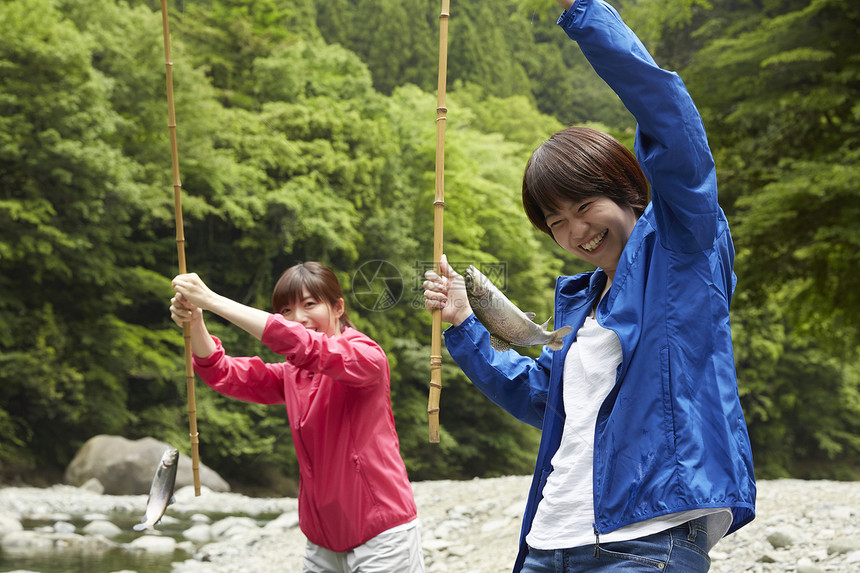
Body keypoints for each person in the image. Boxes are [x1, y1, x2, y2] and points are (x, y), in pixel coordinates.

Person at [423, 0, 756, 571]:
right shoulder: (582, 305)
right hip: (549, 540)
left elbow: (670, 116)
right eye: (556, 223)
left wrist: (581, 11)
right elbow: (541, 397)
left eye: (585, 206)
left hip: (648, 540)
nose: (576, 231)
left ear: (628, 189)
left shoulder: (684, 250)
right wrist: (463, 323)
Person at [170, 262, 424, 573]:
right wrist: (196, 323)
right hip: (322, 540)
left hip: (382, 534)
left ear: (338, 306)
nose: (298, 319)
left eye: (310, 304)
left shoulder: (366, 357)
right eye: (286, 310)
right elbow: (225, 373)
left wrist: (211, 300)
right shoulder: (294, 374)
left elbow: (303, 345)